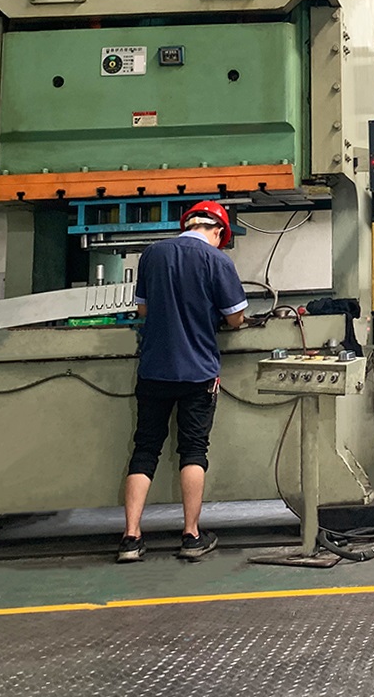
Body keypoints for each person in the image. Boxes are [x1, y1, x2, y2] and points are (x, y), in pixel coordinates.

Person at [117, 200, 247, 563]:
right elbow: (235, 319)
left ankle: (130, 538)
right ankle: (191, 535)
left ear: (187, 225)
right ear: (218, 232)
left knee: (145, 449)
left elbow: (143, 309)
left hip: (154, 369)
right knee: (193, 450)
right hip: (198, 371)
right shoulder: (218, 261)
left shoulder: (152, 255)